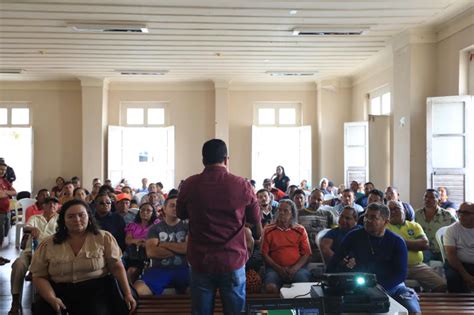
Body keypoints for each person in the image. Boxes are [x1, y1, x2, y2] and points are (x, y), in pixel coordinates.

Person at [177, 139, 261, 315]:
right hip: (232, 260)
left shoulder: (190, 184)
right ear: (226, 159)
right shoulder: (242, 185)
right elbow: (255, 220)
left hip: (200, 261)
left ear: (203, 160)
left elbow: (181, 214)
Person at [29, 199, 136, 315]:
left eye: (81, 215)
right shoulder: (48, 244)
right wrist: (52, 298)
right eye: (71, 216)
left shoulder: (104, 238)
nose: (77, 220)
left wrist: (128, 294)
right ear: (63, 220)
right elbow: (39, 276)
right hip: (58, 291)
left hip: (96, 292)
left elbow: (116, 267)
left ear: (89, 217)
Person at [327, 203, 421, 314]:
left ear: (385, 222)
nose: (367, 220)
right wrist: (328, 280)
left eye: (373, 217)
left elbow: (401, 274)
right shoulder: (353, 236)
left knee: (413, 311)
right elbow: (336, 260)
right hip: (362, 285)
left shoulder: (397, 241)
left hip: (393, 286)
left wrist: (382, 287)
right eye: (366, 216)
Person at [8, 196, 60, 315]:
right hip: (30, 252)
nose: (52, 205)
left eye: (55, 204)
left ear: (58, 207)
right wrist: (32, 228)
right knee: (18, 264)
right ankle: (15, 301)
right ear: (43, 206)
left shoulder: (61, 219)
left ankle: (44, 300)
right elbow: (26, 227)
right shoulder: (35, 218)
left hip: (51, 254)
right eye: (49, 203)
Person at [135, 195, 189, 295]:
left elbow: (188, 249)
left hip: (184, 269)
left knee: (201, 291)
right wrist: (179, 249)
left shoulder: (188, 226)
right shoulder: (154, 229)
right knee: (139, 290)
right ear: (164, 208)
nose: (175, 208)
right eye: (172, 205)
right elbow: (151, 252)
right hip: (159, 270)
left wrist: (163, 244)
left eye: (178, 206)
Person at [387, 200, 446, 292]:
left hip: (417, 266)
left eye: (396, 208)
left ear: (404, 210)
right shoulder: (384, 226)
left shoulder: (414, 226)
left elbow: (425, 244)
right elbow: (388, 245)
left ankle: (428, 305)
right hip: (393, 266)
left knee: (441, 285)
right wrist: (414, 244)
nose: (393, 211)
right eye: (390, 209)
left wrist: (398, 242)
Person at [261, 199, 311, 293]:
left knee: (303, 287)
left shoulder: (300, 230)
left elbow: (306, 254)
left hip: (297, 269)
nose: (281, 213)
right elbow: (264, 254)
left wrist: (294, 269)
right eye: (279, 210)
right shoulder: (268, 230)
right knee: (270, 288)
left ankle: (300, 308)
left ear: (292, 213)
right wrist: (279, 269)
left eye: (285, 210)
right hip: (274, 269)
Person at [415, 189, 456, 262]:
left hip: (443, 250)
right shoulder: (417, 214)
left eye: (431, 197)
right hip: (425, 250)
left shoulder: (446, 215)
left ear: (439, 199)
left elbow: (458, 229)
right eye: (426, 197)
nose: (427, 199)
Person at [298, 189, 336, 262]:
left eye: (319, 200)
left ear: (322, 202)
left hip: (322, 251)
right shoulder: (298, 214)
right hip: (304, 252)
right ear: (309, 198)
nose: (316, 201)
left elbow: (335, 234)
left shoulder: (328, 215)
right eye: (314, 198)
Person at [444, 202, 474, 292]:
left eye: (466, 213)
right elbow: (451, 255)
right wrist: (465, 275)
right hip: (457, 264)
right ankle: (456, 304)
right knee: (452, 277)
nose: (461, 215)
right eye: (459, 212)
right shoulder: (451, 230)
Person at [124, 202, 157, 283]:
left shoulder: (157, 224)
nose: (145, 212)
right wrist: (138, 241)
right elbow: (127, 240)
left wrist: (146, 243)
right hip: (135, 254)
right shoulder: (133, 225)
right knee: (130, 271)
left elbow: (159, 240)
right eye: (142, 210)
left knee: (134, 271)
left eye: (148, 211)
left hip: (150, 253)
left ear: (153, 213)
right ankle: (129, 292)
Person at [0, 161, 16, 246]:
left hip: (7, 212)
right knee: (0, 236)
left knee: (5, 234)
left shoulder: (5, 181)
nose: (3, 171)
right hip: (0, 213)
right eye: (1, 169)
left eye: (5, 170)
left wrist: (5, 192)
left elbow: (14, 192)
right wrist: (7, 193)